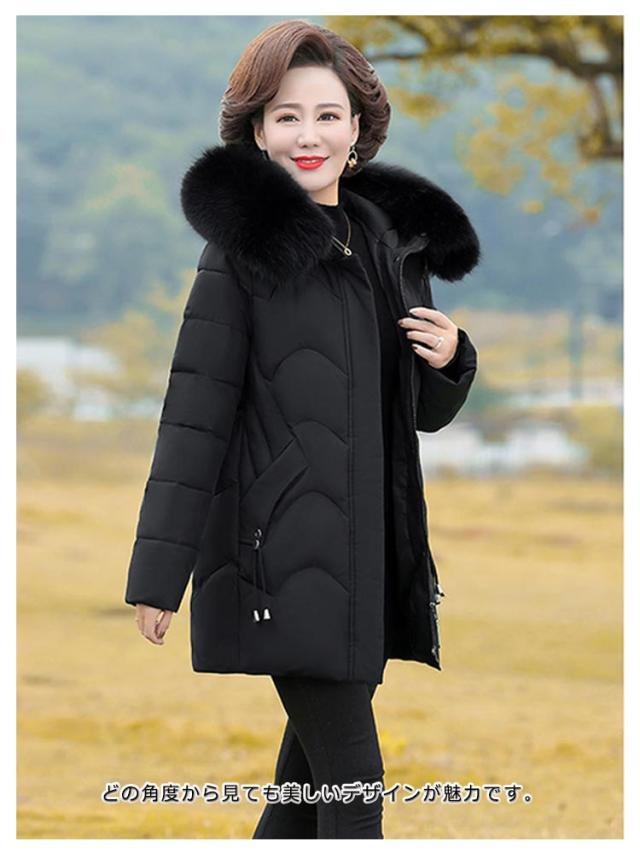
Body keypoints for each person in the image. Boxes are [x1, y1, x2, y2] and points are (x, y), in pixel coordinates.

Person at [125, 19, 481, 839]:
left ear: (358, 129)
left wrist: (452, 358)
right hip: (279, 560)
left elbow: (418, 416)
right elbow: (193, 418)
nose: (308, 135)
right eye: (286, 116)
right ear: (257, 131)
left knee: (303, 800)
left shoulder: (390, 243)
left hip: (370, 557)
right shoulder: (239, 255)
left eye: (327, 115)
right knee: (356, 797)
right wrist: (158, 575)